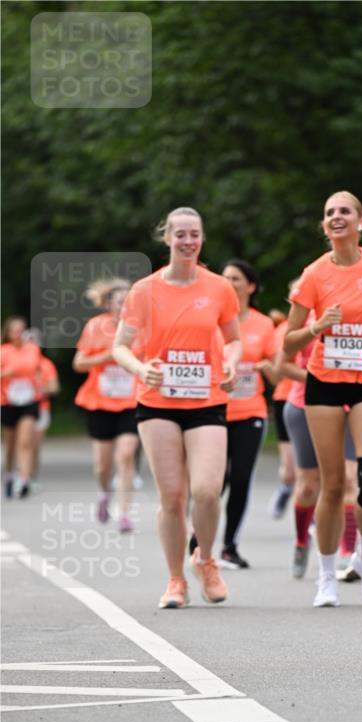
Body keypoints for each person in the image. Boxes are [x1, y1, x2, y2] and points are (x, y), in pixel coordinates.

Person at [112, 206, 241, 608]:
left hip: (207, 400)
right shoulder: (144, 290)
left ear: (202, 238)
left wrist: (232, 362)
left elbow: (233, 339)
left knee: (206, 491)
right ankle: (175, 581)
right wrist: (140, 367)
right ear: (165, 237)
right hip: (158, 402)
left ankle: (204, 559)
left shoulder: (219, 288)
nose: (188, 241)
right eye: (180, 234)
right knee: (171, 496)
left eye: (194, 234)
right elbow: (119, 346)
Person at [284, 190, 362, 607]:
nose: (336, 216)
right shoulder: (313, 274)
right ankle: (326, 575)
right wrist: (316, 328)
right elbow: (287, 342)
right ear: (324, 225)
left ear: (360, 221)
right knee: (331, 486)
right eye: (329, 212)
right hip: (324, 380)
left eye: (344, 211)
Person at [278, 313, 357, 579]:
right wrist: (320, 379)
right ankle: (301, 541)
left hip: (351, 406)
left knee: (347, 481)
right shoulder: (305, 317)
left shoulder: (360, 312)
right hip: (305, 405)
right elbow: (283, 366)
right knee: (309, 486)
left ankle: (348, 554)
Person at [217, 259, 277, 568]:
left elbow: (278, 372)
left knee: (240, 478)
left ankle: (229, 546)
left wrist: (270, 368)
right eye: (224, 278)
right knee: (213, 482)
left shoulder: (263, 324)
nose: (229, 283)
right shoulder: (211, 321)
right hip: (212, 411)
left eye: (236, 278)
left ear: (250, 286)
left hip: (250, 412)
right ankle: (197, 542)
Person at [73, 279, 140, 530]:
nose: (124, 305)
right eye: (120, 301)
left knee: (125, 455)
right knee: (103, 465)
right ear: (108, 304)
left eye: (128, 301)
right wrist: (108, 356)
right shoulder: (95, 327)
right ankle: (104, 493)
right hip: (100, 402)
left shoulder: (140, 327)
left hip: (131, 401)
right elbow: (79, 363)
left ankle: (125, 514)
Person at [1, 316, 45, 498]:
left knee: (26, 441)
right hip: (8, 401)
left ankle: (24, 479)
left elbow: (39, 371)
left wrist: (40, 385)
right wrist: (6, 372)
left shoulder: (33, 350)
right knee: (10, 444)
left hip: (29, 401)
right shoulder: (3, 351)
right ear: (9, 333)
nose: (19, 333)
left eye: (22, 330)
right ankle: (9, 473)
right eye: (16, 330)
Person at [267, 308, 296, 519]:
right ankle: (285, 489)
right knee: (290, 470)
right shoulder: (284, 329)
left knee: (316, 469)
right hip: (286, 398)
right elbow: (278, 367)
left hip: (320, 398)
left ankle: (312, 518)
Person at [22, 328, 59, 488]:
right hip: (19, 408)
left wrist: (39, 389)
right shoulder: (15, 361)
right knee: (23, 443)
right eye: (28, 341)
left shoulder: (46, 364)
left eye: (34, 342)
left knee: (34, 445)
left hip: (41, 408)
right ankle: (22, 476)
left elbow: (55, 388)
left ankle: (32, 477)